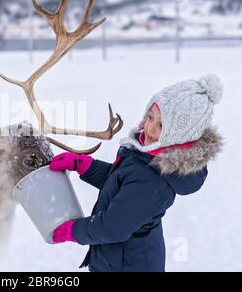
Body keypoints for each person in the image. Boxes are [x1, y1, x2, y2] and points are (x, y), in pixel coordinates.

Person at [49, 74, 224, 272]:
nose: (149, 127)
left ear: (180, 137)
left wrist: (74, 230)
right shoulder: (146, 155)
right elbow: (123, 182)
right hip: (118, 260)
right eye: (150, 117)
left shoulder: (153, 181)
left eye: (162, 125)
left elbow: (113, 227)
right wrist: (86, 166)